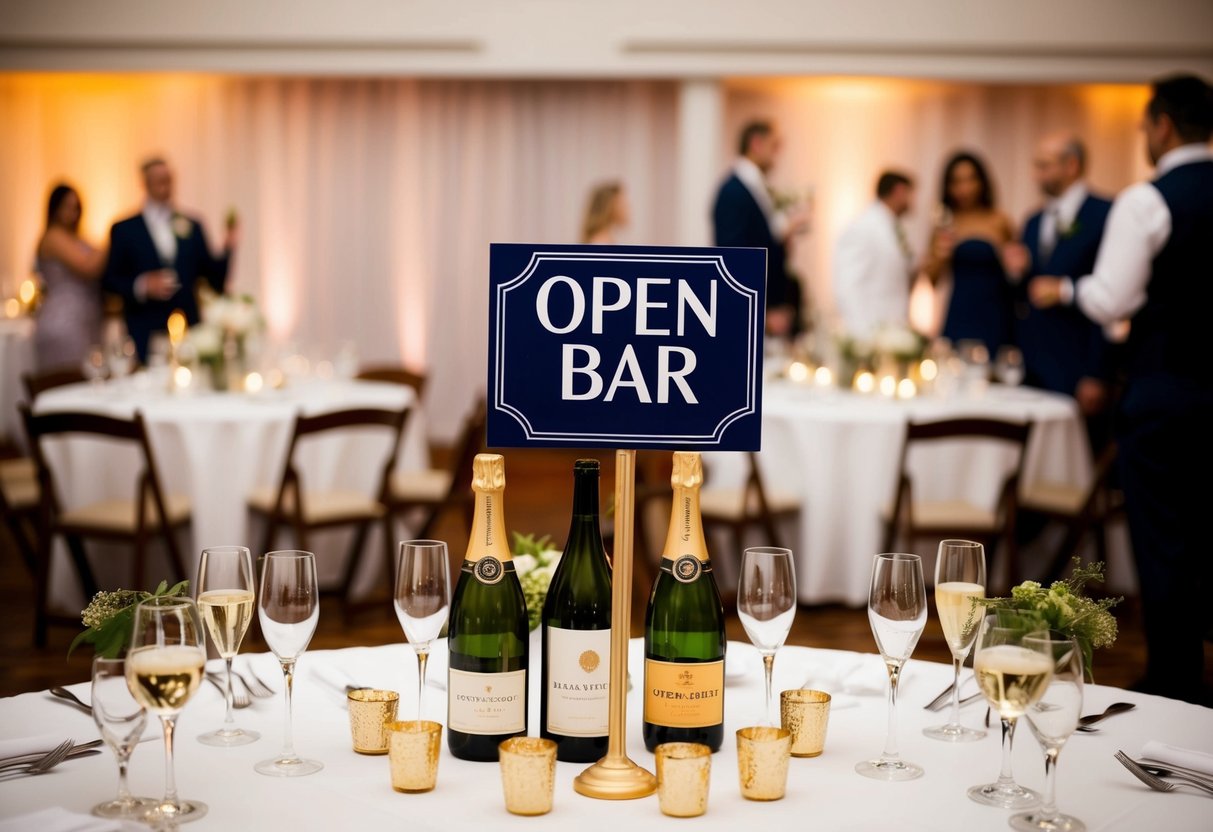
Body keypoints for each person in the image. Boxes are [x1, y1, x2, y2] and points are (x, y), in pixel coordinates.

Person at [1028, 73, 1213, 705]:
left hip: (1167, 392)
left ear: (1161, 125)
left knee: (1165, 540)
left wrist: (1067, 290)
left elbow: (1114, 298)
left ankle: (1177, 682)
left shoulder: (1148, 200)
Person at [102, 157, 237, 363]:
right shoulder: (124, 229)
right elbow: (109, 282)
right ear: (145, 183)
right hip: (144, 330)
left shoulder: (192, 225)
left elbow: (214, 279)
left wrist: (229, 246)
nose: (165, 185)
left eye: (168, 179)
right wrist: (142, 285)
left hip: (189, 329)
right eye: (158, 179)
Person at [711, 119, 810, 339]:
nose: (778, 155)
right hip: (753, 309)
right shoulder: (733, 191)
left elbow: (761, 240)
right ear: (756, 143)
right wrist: (761, 311)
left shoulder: (756, 187)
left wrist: (783, 235)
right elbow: (733, 253)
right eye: (775, 146)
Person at [922, 150, 1016, 359]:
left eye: (970, 180)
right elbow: (932, 280)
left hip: (995, 311)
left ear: (982, 182)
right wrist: (941, 254)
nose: (964, 188)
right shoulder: (944, 224)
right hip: (959, 310)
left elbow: (1015, 274)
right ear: (948, 186)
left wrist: (1006, 258)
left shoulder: (998, 221)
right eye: (956, 182)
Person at [31, 183, 108, 372]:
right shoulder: (53, 237)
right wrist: (113, 235)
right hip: (64, 322)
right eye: (67, 206)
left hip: (86, 319)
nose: (72, 213)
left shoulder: (77, 237)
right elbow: (88, 267)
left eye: (76, 207)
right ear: (55, 208)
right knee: (67, 382)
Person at [831, 170, 916, 338]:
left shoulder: (892, 228)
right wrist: (863, 339)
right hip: (872, 334)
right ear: (899, 191)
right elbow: (847, 285)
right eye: (910, 194)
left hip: (893, 330)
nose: (913, 202)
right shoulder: (864, 226)